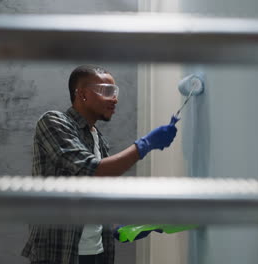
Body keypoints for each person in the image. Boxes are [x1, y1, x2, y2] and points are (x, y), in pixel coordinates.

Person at [21, 65, 178, 264]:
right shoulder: (52, 122)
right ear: (83, 94)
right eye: (107, 91)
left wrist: (121, 227)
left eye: (116, 92)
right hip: (60, 252)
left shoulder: (98, 139)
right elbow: (92, 171)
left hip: (97, 252)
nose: (115, 98)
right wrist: (144, 145)